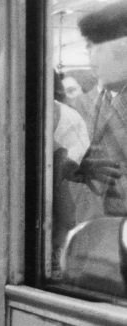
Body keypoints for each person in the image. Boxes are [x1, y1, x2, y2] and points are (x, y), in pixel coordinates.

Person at [71, 1, 127, 218]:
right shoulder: (83, 105)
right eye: (89, 47)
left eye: (98, 47)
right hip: (95, 227)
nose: (91, 57)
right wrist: (81, 167)